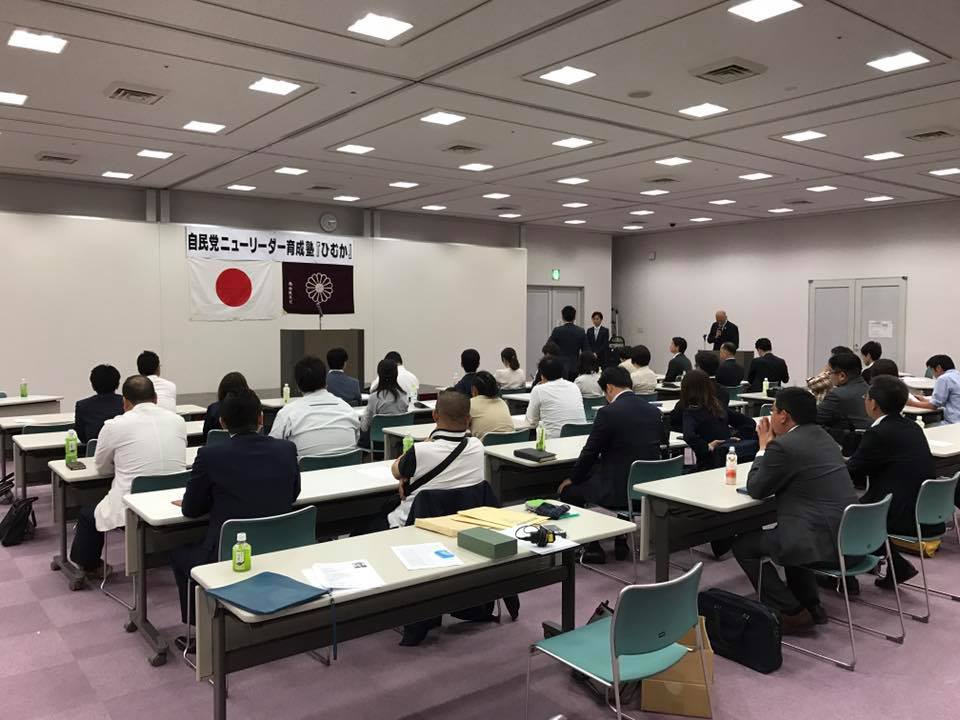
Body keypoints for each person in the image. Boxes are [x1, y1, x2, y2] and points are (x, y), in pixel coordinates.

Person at [169, 389, 300, 646]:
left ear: (222, 422)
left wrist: (216, 499)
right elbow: (293, 494)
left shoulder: (210, 455)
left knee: (179, 555)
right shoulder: (286, 449)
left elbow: (190, 510)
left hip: (231, 553)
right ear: (261, 418)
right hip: (282, 548)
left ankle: (201, 633)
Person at [732, 388, 859, 632]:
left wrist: (763, 447)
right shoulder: (826, 438)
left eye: (773, 411)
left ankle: (790, 610)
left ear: (784, 416)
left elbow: (757, 488)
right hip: (847, 534)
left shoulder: (783, 446)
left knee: (744, 546)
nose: (770, 416)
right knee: (790, 528)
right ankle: (811, 604)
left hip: (818, 539)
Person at [69, 376, 187, 574]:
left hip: (134, 504)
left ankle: (89, 567)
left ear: (125, 402)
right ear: (156, 398)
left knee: (88, 514)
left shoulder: (114, 426)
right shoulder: (178, 421)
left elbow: (101, 467)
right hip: (173, 500)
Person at [557, 366, 666, 563]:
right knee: (618, 472)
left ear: (609, 388)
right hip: (646, 489)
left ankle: (592, 545)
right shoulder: (654, 411)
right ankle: (621, 538)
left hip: (616, 490)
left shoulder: (608, 413)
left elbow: (590, 452)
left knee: (569, 492)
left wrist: (572, 478)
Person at [847, 376, 939, 589]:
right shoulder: (912, 427)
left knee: (844, 515)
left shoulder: (878, 432)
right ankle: (896, 565)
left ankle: (846, 576)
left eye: (866, 397)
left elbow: (854, 470)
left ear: (873, 404)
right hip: (924, 507)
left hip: (899, 511)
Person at [389, 390, 486, 528]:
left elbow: (395, 471)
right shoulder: (478, 446)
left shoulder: (420, 450)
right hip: (462, 523)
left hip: (414, 525)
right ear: (469, 419)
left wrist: (406, 473)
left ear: (434, 415)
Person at [269, 356, 359, 457]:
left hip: (303, 467)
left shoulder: (287, 414)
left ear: (298, 386)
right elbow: (356, 440)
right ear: (325, 381)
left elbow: (272, 448)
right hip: (346, 466)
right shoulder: (347, 409)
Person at [680, 370, 757, 471]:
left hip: (708, 465)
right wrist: (736, 437)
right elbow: (750, 423)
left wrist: (707, 447)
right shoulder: (718, 407)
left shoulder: (691, 413)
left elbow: (689, 436)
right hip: (730, 460)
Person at [525, 356, 586, 438]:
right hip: (580, 438)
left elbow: (531, 422)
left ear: (542, 375)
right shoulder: (574, 386)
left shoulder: (539, 389)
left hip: (554, 441)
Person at [817, 352, 871, 435]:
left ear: (842, 376)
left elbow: (815, 418)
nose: (829, 376)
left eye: (830, 372)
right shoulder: (870, 388)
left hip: (850, 439)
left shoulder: (836, 395)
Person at [360, 359, 409, 446]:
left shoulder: (374, 397)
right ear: (396, 374)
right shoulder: (404, 396)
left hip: (377, 443)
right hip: (398, 442)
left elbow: (364, 427)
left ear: (379, 374)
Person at [74, 364, 123, 445]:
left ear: (93, 385)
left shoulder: (82, 406)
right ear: (118, 384)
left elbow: (82, 438)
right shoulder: (127, 402)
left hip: (94, 451)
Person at [908, 355, 960, 424]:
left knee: (922, 426)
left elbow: (933, 406)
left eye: (932, 370)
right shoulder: (957, 375)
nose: (933, 375)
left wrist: (911, 403)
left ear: (938, 368)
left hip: (953, 423)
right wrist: (924, 400)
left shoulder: (943, 379)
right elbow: (946, 401)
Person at [202, 371, 248, 441]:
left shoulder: (213, 409)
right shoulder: (251, 408)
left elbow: (206, 436)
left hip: (218, 447)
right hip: (247, 446)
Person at [469, 371, 515, 440]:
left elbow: (461, 426)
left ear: (474, 389)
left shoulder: (471, 403)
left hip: (485, 445)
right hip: (512, 443)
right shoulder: (502, 402)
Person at [548, 305, 587, 380]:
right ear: (574, 317)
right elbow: (586, 351)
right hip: (575, 367)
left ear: (562, 317)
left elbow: (548, 347)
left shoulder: (557, 330)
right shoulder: (580, 331)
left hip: (559, 366)